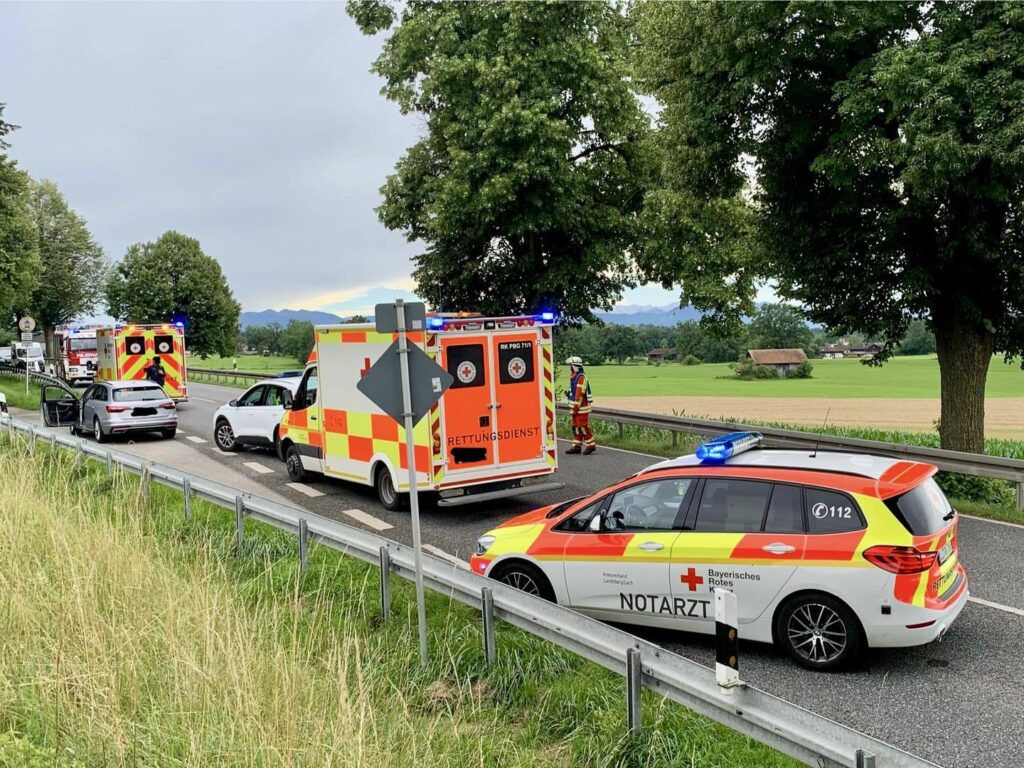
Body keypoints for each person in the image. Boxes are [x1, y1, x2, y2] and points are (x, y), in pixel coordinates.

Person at [565, 356, 595, 455]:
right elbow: (573, 390)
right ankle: (577, 446)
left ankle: (591, 445)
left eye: (570, 366)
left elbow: (579, 393)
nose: (569, 368)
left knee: (583, 426)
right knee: (575, 427)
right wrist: (568, 394)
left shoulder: (581, 377)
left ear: (574, 366)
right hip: (575, 406)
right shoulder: (574, 377)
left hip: (581, 407)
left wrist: (575, 407)